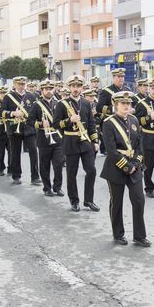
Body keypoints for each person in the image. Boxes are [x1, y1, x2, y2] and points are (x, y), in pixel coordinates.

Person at [100, 90, 151, 247]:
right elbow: (111, 150)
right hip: (116, 168)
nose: (127, 106)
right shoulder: (108, 123)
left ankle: (139, 236)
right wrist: (127, 166)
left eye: (129, 103)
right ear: (116, 105)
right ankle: (118, 234)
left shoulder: (134, 120)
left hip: (134, 167)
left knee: (139, 200)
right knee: (117, 202)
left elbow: (139, 146)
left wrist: (135, 163)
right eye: (123, 103)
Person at [54, 75, 100, 212]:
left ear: (82, 88)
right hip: (70, 141)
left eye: (78, 86)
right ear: (69, 88)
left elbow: (91, 124)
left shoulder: (86, 103)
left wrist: (95, 140)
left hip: (85, 141)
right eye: (73, 86)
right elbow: (55, 124)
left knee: (91, 170)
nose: (76, 89)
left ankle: (89, 200)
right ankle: (74, 201)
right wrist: (70, 120)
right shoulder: (62, 104)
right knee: (71, 173)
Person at [0, 76, 40, 185]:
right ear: (15, 84)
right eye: (19, 84)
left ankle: (35, 176)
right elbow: (1, 113)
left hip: (29, 128)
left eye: (23, 84)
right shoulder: (9, 97)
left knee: (33, 152)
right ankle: (16, 175)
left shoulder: (31, 96)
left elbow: (37, 111)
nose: (22, 86)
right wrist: (13, 113)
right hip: (14, 128)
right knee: (15, 152)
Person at [28, 80, 64, 197]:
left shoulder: (59, 103)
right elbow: (29, 121)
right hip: (43, 139)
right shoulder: (36, 105)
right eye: (46, 89)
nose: (49, 91)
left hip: (57, 138)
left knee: (58, 165)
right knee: (45, 166)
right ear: (42, 91)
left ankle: (57, 187)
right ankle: (47, 188)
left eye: (51, 89)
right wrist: (40, 124)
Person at [96, 68, 128, 153]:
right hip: (112, 121)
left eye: (122, 76)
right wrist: (115, 109)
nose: (121, 78)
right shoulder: (106, 91)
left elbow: (134, 104)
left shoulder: (127, 90)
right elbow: (99, 107)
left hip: (125, 121)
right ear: (113, 78)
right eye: (118, 76)